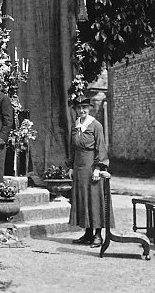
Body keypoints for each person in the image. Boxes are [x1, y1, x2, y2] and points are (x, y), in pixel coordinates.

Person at [66, 96, 111, 248]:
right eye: (79, 108)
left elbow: (101, 147)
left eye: (85, 107)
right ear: (75, 110)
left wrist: (98, 168)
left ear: (89, 108)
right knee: (82, 199)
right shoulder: (76, 125)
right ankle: (88, 233)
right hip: (79, 168)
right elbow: (72, 148)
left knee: (94, 200)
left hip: (92, 167)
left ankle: (98, 235)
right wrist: (71, 166)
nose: (82, 110)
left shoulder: (96, 125)